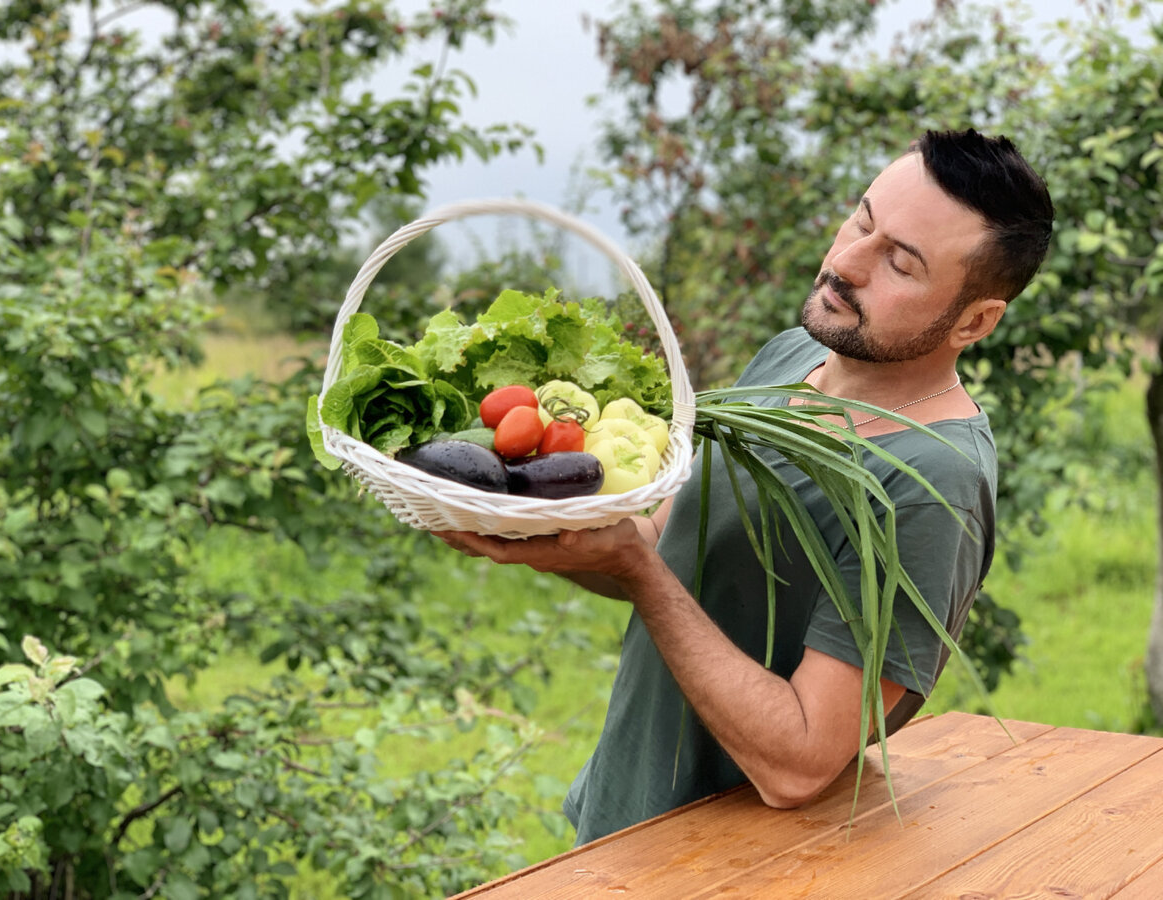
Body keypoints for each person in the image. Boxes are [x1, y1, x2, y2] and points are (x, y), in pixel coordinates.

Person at [434, 128, 1054, 845]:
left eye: (900, 263)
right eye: (862, 219)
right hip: (628, 827)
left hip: (744, 866)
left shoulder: (931, 482)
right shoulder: (796, 358)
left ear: (975, 321)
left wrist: (636, 570)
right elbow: (667, 546)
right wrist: (535, 528)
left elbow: (800, 762)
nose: (847, 263)